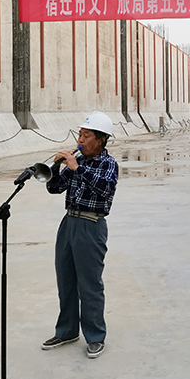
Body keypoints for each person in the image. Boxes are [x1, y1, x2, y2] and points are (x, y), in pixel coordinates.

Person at [41, 111, 118, 359]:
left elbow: (104, 189)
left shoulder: (108, 164)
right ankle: (67, 331)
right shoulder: (78, 161)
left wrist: (78, 169)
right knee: (65, 280)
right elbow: (55, 188)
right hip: (69, 223)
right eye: (80, 135)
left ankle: (95, 336)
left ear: (101, 139)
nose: (80, 140)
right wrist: (55, 168)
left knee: (90, 284)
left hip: (91, 224)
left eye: (86, 135)